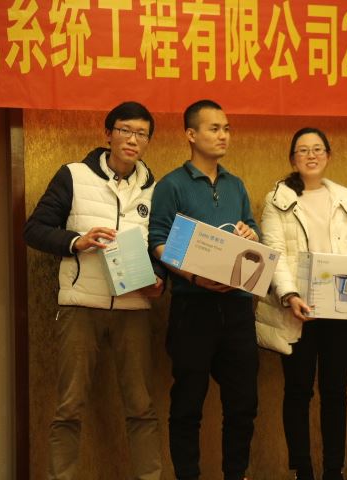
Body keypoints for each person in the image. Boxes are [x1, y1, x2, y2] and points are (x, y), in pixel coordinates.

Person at [24, 101, 164, 480]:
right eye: (125, 130)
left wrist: (158, 279)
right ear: (108, 134)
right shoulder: (73, 175)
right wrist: (77, 241)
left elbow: (161, 247)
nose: (132, 139)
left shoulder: (156, 191)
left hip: (134, 308)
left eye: (141, 134)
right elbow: (34, 229)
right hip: (80, 305)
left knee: (141, 406)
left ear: (147, 141)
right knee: (69, 406)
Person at [254, 127, 347, 480]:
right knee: (297, 391)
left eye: (318, 149)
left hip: (340, 308)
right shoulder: (278, 199)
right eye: (303, 150)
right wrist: (289, 295)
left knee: (336, 392)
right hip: (298, 311)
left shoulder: (344, 198)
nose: (311, 155)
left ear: (328, 155)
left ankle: (334, 471)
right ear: (292, 158)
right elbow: (274, 252)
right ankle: (303, 470)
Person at [148, 99, 260, 480]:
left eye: (227, 128)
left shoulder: (236, 184)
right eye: (214, 128)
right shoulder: (171, 185)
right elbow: (157, 241)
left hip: (238, 308)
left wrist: (250, 233)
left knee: (243, 405)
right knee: (187, 405)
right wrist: (194, 277)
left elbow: (252, 229)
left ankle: (236, 474)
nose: (223, 135)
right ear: (191, 135)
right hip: (192, 308)